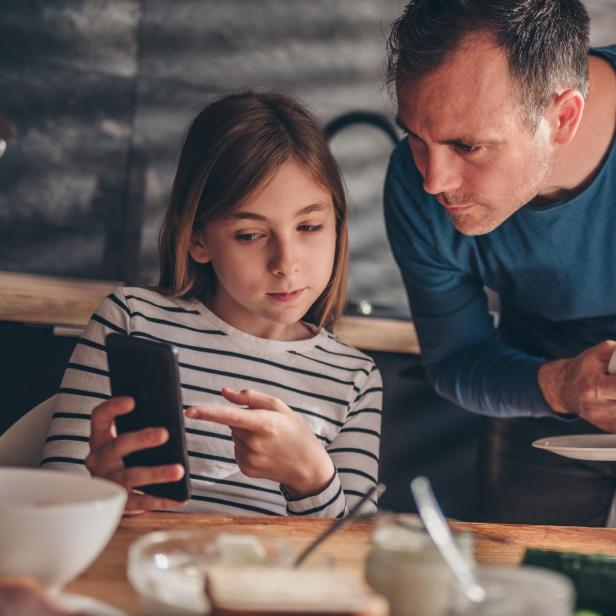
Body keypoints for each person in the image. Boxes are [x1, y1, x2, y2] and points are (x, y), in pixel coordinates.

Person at [41, 91, 382, 518]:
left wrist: (313, 479)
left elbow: (353, 556)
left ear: (338, 224)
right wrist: (103, 495)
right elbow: (53, 501)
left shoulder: (354, 378)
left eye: (309, 226)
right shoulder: (131, 319)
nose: (286, 263)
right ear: (196, 239)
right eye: (250, 235)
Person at [384, 0, 616, 525]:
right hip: (539, 381)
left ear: (563, 117)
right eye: (417, 138)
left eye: (468, 146)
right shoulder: (412, 187)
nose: (433, 182)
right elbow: (455, 358)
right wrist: (559, 385)